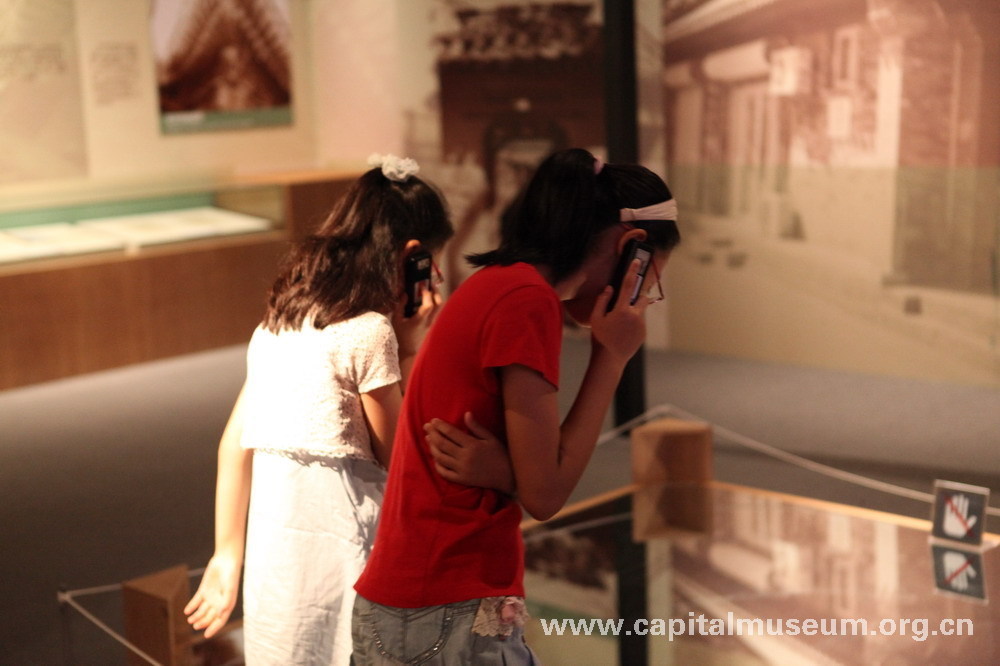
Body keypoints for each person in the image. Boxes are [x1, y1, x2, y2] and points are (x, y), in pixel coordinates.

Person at [352, 147, 681, 664]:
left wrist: (508, 473)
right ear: (631, 247)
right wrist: (611, 357)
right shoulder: (527, 300)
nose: (643, 299)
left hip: (423, 604)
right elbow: (545, 494)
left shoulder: (499, 285)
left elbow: (533, 480)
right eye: (649, 278)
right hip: (449, 602)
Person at [183, 154, 511, 665]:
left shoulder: (282, 321)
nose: (438, 276)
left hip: (276, 561)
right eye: (433, 261)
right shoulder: (371, 333)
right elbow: (401, 459)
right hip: (348, 554)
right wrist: (409, 344)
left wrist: (227, 554)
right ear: (411, 256)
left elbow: (234, 445)